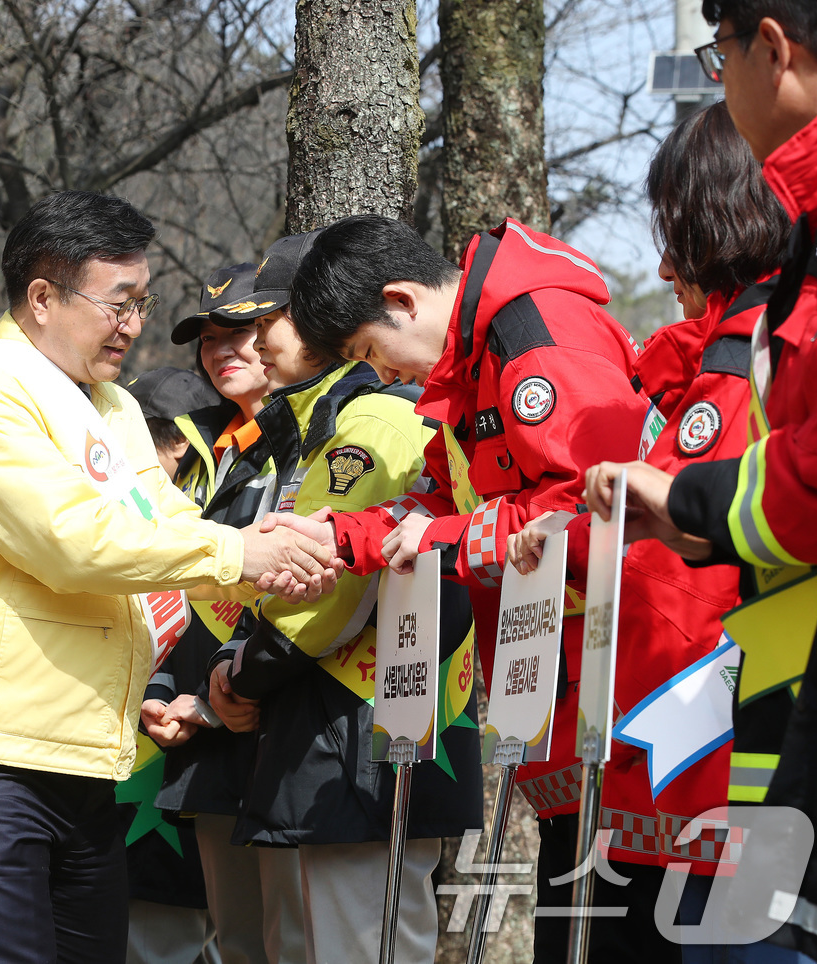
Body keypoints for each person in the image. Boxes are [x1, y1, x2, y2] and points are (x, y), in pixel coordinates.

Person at [0, 191, 339, 964]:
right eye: (119, 304)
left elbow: (164, 524)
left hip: (82, 747)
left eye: (142, 302)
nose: (134, 325)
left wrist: (266, 546)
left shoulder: (115, 407)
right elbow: (74, 542)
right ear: (41, 298)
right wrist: (239, 556)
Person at [272, 214, 651, 959]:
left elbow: (594, 507)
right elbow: (443, 502)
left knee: (620, 925)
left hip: (630, 682)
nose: (380, 374)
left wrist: (441, 540)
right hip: (562, 688)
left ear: (402, 300)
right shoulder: (465, 366)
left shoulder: (531, 332)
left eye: (369, 352)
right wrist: (340, 536)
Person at [508, 98, 788, 959]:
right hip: (664, 750)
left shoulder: (746, 360)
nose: (667, 264)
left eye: (677, 230)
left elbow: (674, 574)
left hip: (695, 751)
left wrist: (536, 539)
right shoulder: (703, 364)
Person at [585, 4, 817, 960]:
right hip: (737, 723)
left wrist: (674, 505)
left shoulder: (740, 352)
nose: (661, 259)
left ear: (770, 46)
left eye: (720, 51)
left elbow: (797, 479)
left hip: (733, 725)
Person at [207, 242, 482, 964]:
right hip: (337, 740)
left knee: (358, 943)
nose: (258, 339)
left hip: (358, 740)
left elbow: (321, 601)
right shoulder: (313, 426)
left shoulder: (374, 424)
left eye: (271, 316)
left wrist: (240, 674)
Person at [150, 260, 305, 964]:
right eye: (209, 337)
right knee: (242, 947)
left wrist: (224, 696)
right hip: (210, 744)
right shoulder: (219, 459)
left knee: (303, 945)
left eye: (242, 331)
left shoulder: (315, 442)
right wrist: (164, 695)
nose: (223, 350)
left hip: (290, 737)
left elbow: (307, 594)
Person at [121, 364, 222, 964]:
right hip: (134, 775)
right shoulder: (122, 526)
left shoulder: (210, 523)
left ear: (178, 443)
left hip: (192, 772)